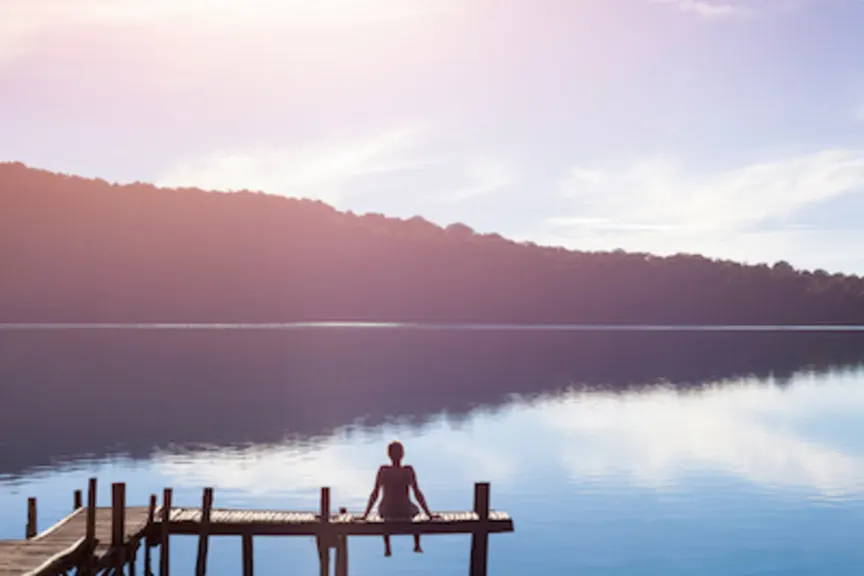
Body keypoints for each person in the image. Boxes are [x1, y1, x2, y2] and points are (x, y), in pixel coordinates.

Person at [362, 440, 437, 556]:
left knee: (385, 514)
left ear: (388, 455)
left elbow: (375, 494)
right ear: (402, 454)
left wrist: (365, 515)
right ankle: (417, 544)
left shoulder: (383, 470)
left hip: (387, 510)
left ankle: (387, 546)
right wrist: (429, 514)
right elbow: (417, 494)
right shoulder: (408, 470)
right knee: (416, 512)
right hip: (404, 510)